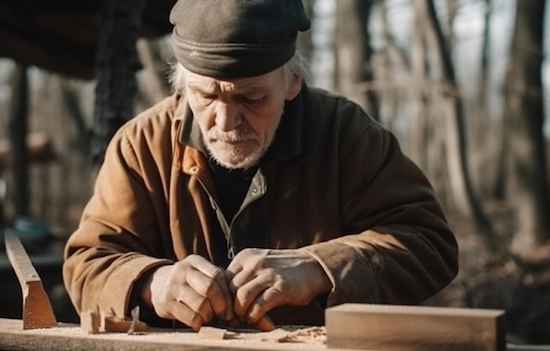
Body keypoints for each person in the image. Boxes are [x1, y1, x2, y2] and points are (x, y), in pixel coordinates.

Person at [63, 0, 458, 332]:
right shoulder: (142, 145)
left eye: (251, 99)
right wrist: (152, 282)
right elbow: (87, 265)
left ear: (292, 82)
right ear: (181, 84)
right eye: (205, 96)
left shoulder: (346, 136)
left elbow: (429, 244)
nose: (225, 122)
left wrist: (320, 267)